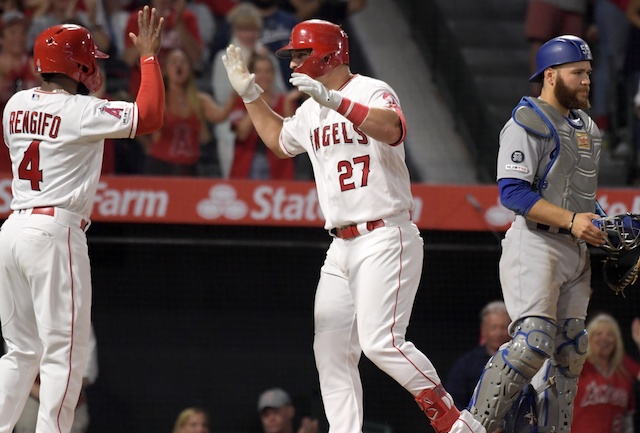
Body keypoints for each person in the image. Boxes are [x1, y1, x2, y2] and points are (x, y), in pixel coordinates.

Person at [222, 19, 486, 433]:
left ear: (328, 54)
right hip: (340, 245)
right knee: (329, 348)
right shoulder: (309, 106)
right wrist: (252, 95)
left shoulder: (371, 90)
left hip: (384, 233)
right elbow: (278, 140)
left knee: (382, 343)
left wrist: (336, 101)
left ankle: (457, 424)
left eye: (300, 53)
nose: (293, 62)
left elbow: (393, 128)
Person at [0, 6, 165, 433]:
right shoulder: (80, 112)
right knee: (63, 353)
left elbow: (59, 114)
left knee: (20, 352)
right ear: (79, 65)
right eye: (89, 61)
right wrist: (148, 56)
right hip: (54, 233)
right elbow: (149, 116)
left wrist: (84, 90)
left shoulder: (15, 103)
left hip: (14, 227)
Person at [467, 35, 606, 433]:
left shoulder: (586, 128)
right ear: (550, 75)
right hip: (536, 242)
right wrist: (572, 220)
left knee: (572, 349)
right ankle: (474, 426)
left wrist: (601, 225)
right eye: (577, 73)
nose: (586, 81)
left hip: (574, 247)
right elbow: (512, 192)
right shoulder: (526, 121)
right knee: (533, 341)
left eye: (588, 74)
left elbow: (578, 195)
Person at [145, 47, 232, 176]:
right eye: (174, 62)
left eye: (183, 62)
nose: (179, 65)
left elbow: (220, 116)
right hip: (161, 165)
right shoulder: (158, 98)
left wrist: (237, 94)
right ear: (165, 70)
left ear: (190, 69)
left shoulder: (200, 100)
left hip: (190, 167)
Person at [13, 325, 99, 433]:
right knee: (29, 423)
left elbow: (88, 369)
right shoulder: (27, 315)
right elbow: (17, 367)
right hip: (34, 390)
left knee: (75, 423)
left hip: (69, 392)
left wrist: (64, 393)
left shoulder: (76, 314)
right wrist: (48, 396)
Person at [229, 52, 296, 179]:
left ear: (274, 74)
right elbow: (241, 133)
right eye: (258, 71)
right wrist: (253, 99)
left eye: (268, 71)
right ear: (249, 75)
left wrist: (287, 103)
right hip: (247, 164)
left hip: (278, 167)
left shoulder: (284, 101)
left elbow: (292, 138)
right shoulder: (240, 101)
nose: (264, 76)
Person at [572, 314, 640, 433]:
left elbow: (627, 421)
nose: (604, 338)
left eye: (610, 334)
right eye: (598, 334)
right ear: (589, 338)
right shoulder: (579, 365)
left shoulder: (624, 366)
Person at [445, 301, 511, 410]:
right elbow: (454, 400)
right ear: (484, 330)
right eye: (494, 328)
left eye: (503, 328)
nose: (499, 333)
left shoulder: (522, 361)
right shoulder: (467, 363)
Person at [524, 0, 588, 96]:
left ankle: (567, 93)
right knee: (538, 40)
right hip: (545, 2)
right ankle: (537, 93)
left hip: (575, 6)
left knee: (571, 50)